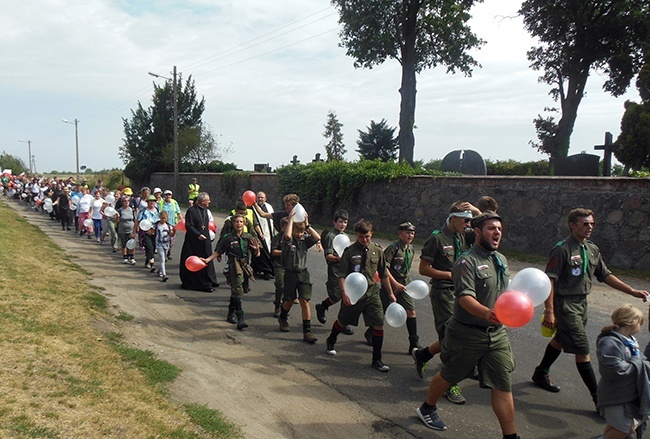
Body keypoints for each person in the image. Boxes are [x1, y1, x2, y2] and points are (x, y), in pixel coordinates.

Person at [415, 212, 520, 439]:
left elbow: (503, 293)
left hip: (496, 334)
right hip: (466, 333)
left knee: (503, 383)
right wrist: (487, 313)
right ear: (478, 233)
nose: (497, 233)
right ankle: (427, 408)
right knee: (450, 375)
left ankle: (510, 436)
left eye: (499, 229)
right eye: (492, 229)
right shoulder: (466, 261)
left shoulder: (500, 259)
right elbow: (464, 298)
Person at [532, 208, 649, 408]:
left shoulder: (591, 249)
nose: (589, 227)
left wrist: (631, 291)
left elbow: (604, 274)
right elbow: (549, 281)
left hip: (582, 303)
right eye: (585, 224)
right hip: (565, 305)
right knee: (583, 349)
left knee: (560, 339)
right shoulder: (562, 250)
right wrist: (549, 311)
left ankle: (541, 373)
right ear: (572, 225)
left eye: (592, 224)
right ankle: (599, 398)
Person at [412, 201, 479, 405]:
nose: (469, 224)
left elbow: (487, 223)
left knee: (453, 336)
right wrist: (451, 275)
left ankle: (423, 355)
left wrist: (475, 210)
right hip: (443, 293)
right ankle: (450, 384)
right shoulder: (437, 239)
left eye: (470, 220)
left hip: (462, 293)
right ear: (453, 219)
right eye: (465, 220)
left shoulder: (463, 235)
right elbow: (424, 269)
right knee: (452, 339)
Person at [325, 219, 397, 373]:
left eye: (368, 237)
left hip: (372, 293)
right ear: (356, 235)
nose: (365, 240)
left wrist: (390, 293)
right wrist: (344, 293)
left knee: (378, 323)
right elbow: (342, 274)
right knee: (343, 321)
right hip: (354, 294)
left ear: (371, 235)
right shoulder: (349, 252)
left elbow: (383, 274)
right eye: (361, 237)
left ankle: (376, 359)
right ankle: (331, 340)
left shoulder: (377, 251)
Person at [596, 304, 650, 439]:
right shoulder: (610, 342)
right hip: (615, 394)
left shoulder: (630, 340)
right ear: (632, 323)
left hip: (626, 392)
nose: (641, 327)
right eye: (640, 323)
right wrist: (637, 363)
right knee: (624, 429)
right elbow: (613, 369)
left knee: (616, 425)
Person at [203, 214, 259, 330]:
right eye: (237, 222)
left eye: (241, 222)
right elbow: (219, 251)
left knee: (239, 291)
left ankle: (230, 312)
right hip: (234, 266)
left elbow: (257, 254)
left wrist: (257, 249)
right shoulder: (228, 238)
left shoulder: (248, 237)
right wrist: (207, 260)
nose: (239, 224)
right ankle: (241, 318)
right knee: (237, 289)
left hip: (245, 266)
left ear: (244, 224)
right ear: (233, 224)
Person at [277, 211, 321, 343]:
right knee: (289, 300)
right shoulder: (287, 241)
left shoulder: (304, 241)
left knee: (304, 301)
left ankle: (307, 332)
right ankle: (283, 317)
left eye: (302, 232)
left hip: (303, 274)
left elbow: (317, 237)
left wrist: (307, 226)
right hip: (290, 274)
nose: (299, 234)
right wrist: (291, 220)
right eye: (298, 231)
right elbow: (288, 235)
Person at [380, 222, 421, 354]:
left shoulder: (411, 249)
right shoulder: (393, 248)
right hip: (391, 285)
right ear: (400, 233)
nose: (410, 235)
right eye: (407, 232)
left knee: (411, 311)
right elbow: (384, 268)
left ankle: (414, 343)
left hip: (405, 285)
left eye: (412, 233)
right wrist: (394, 284)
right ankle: (371, 332)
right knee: (382, 311)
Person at [315, 209, 354, 336]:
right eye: (340, 222)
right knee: (336, 296)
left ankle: (343, 322)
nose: (342, 224)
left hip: (347, 271)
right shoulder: (331, 236)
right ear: (334, 222)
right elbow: (329, 256)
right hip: (335, 271)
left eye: (345, 222)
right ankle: (322, 306)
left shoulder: (345, 236)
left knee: (347, 296)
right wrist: (340, 259)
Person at [179, 192, 218, 292]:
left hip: (205, 240)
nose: (209, 201)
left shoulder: (205, 210)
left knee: (207, 258)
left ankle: (210, 280)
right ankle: (202, 284)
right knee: (197, 261)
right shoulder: (191, 211)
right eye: (208, 200)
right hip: (194, 241)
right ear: (202, 201)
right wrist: (198, 235)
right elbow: (189, 226)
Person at [250, 191, 275, 279]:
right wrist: (259, 233)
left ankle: (259, 269)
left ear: (265, 198)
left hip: (269, 233)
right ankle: (266, 271)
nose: (260, 199)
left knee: (268, 251)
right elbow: (254, 221)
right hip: (259, 234)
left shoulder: (269, 206)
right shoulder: (252, 208)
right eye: (258, 197)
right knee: (262, 253)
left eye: (262, 197)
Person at [271, 217, 289, 317]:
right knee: (280, 285)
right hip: (279, 264)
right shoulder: (277, 237)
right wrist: (285, 252)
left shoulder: (292, 237)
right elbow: (274, 251)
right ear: (283, 227)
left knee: (288, 287)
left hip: (290, 265)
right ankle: (277, 304)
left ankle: (284, 307)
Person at [138, 195, 160, 271]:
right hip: (145, 232)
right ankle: (152, 264)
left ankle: (147, 261)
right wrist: (134, 232)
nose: (152, 202)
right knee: (149, 247)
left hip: (155, 232)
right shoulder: (143, 211)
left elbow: (160, 221)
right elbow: (137, 221)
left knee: (152, 248)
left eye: (153, 201)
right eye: (150, 201)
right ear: (147, 202)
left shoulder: (157, 210)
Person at [158, 189, 182, 259]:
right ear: (164, 196)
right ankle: (164, 254)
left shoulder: (174, 202)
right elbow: (158, 213)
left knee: (171, 240)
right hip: (163, 224)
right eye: (166, 195)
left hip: (173, 224)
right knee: (164, 239)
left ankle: (169, 252)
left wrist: (182, 220)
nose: (168, 196)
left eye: (169, 195)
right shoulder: (161, 203)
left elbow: (178, 212)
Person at [115, 196, 137, 265]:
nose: (126, 202)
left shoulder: (132, 210)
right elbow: (116, 221)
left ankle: (131, 257)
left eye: (128, 201)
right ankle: (125, 257)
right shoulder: (120, 210)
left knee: (131, 243)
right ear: (122, 202)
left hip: (131, 228)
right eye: (125, 201)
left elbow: (135, 220)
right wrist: (117, 217)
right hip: (122, 229)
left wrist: (135, 230)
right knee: (124, 243)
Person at [154, 211, 175, 282]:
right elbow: (151, 231)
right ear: (159, 218)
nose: (163, 220)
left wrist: (174, 230)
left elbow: (171, 235)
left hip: (166, 244)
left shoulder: (168, 226)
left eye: (165, 218)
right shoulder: (157, 225)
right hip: (159, 244)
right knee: (162, 259)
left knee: (164, 258)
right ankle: (164, 275)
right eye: (162, 218)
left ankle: (159, 270)